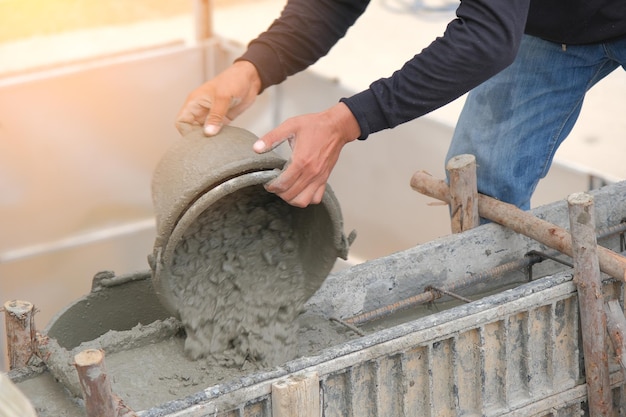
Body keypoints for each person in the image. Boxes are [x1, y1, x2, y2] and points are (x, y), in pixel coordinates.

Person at [176, 0, 626, 210]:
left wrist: (346, 121)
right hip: (553, 23)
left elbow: (485, 40)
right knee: (481, 189)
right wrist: (253, 68)